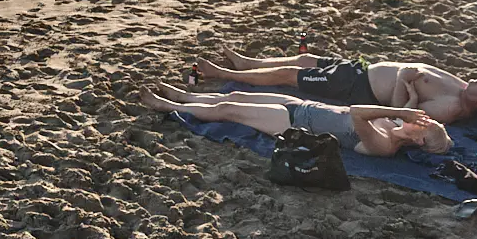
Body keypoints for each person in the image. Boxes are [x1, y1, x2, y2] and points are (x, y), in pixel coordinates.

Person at [195, 53, 477, 127]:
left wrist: (404, 83)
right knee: (306, 58)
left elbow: (401, 113)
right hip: (361, 69)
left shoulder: (452, 108)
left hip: (358, 87)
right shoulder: (467, 91)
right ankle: (250, 63)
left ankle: (222, 72)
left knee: (291, 75)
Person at [143, 83, 452, 157]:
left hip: (291, 124)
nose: (420, 118)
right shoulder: (399, 126)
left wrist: (400, 113)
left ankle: (166, 106)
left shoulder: (384, 146)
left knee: (227, 109)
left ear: (419, 139)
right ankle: (185, 97)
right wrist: (410, 97)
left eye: (424, 124)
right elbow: (406, 112)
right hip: (303, 106)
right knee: (233, 98)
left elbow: (358, 113)